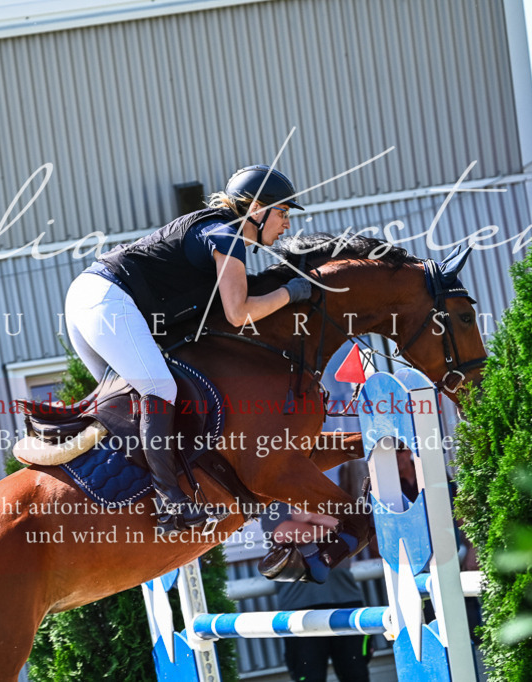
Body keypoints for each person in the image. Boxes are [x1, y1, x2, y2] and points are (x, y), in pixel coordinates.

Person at [64, 165, 312, 533]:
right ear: (257, 210)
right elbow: (239, 313)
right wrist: (289, 293)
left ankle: (136, 494)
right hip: (105, 301)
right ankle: (173, 503)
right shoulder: (225, 235)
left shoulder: (222, 233)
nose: (287, 224)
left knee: (136, 407)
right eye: (283, 213)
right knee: (159, 390)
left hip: (93, 300)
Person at [261, 492, 372, 682]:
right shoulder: (273, 500)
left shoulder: (326, 495)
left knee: (357, 675)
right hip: (300, 609)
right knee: (309, 677)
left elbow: (354, 527)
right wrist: (330, 529)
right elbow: (284, 533)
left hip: (346, 602)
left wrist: (311, 517)